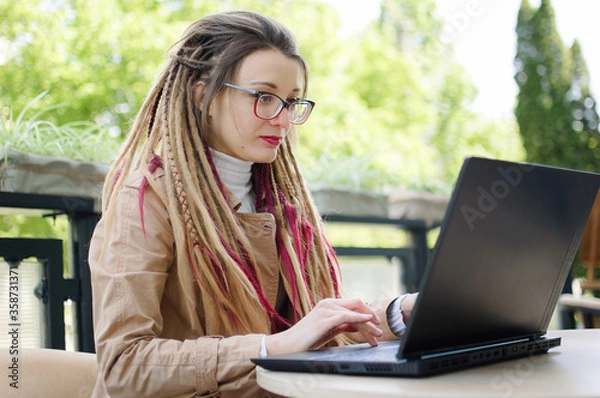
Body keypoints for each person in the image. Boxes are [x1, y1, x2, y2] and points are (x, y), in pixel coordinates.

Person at [88, 10, 418, 398]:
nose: (282, 120)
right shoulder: (145, 201)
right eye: (264, 97)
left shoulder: (287, 208)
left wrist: (398, 313)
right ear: (203, 97)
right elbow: (123, 366)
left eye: (291, 101)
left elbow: (316, 334)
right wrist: (273, 346)